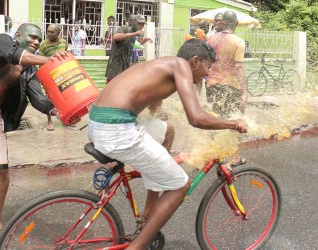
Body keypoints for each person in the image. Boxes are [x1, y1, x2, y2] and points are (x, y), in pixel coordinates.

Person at [88, 38, 248, 249]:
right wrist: (233, 124)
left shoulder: (163, 64)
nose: (207, 74)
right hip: (116, 129)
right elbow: (197, 118)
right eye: (207, 67)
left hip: (100, 122)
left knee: (166, 131)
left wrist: (166, 116)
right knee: (180, 185)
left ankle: (148, 213)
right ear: (194, 61)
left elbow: (153, 105)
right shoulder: (180, 66)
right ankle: (137, 247)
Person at [0, 23, 68, 235]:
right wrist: (50, 60)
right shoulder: (1, 43)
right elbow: (15, 54)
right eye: (32, 37)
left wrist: (57, 112)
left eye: (38, 39)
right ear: (17, 35)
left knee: (1, 170)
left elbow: (38, 99)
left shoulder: (29, 70)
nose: (36, 41)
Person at [207, 11, 247, 165]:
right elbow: (239, 67)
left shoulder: (210, 39)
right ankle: (234, 157)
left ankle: (213, 155)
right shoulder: (238, 42)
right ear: (236, 23)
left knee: (216, 119)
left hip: (212, 85)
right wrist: (244, 92)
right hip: (231, 87)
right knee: (235, 122)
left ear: (222, 22)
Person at [105, 14, 151, 83]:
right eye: (139, 24)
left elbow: (134, 44)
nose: (141, 26)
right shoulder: (125, 28)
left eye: (142, 25)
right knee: (111, 87)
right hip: (116, 64)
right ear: (133, 22)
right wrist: (134, 34)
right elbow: (115, 37)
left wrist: (144, 40)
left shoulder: (134, 33)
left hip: (125, 63)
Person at [39, 24, 68, 131]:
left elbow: (66, 55)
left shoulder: (64, 42)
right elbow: (40, 61)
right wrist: (43, 78)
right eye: (48, 31)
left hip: (62, 74)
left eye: (52, 32)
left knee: (64, 97)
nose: (49, 34)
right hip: (49, 76)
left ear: (58, 33)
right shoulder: (43, 45)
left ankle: (66, 118)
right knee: (49, 98)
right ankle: (49, 121)